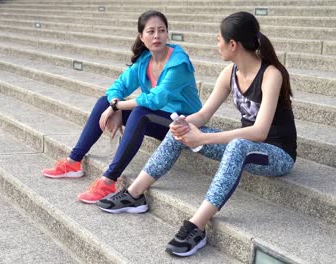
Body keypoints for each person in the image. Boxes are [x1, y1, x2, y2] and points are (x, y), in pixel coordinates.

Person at [97, 11, 297, 257]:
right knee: (181, 129)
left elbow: (259, 131)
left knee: (237, 145)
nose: (217, 45)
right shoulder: (229, 73)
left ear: (232, 44)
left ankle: (196, 226)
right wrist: (184, 124)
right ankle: (134, 194)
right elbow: (203, 116)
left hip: (277, 154)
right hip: (247, 144)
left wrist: (203, 139)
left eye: (218, 40)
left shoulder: (270, 75)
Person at [42, 10, 202, 204]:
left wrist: (117, 107)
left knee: (141, 112)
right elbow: (118, 86)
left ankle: (109, 180)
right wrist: (113, 105)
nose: (157, 36)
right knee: (103, 102)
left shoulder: (179, 63)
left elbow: (155, 100)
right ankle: (73, 162)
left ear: (167, 34)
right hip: (160, 118)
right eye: (150, 31)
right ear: (141, 37)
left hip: (184, 123)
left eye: (161, 30)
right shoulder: (145, 61)